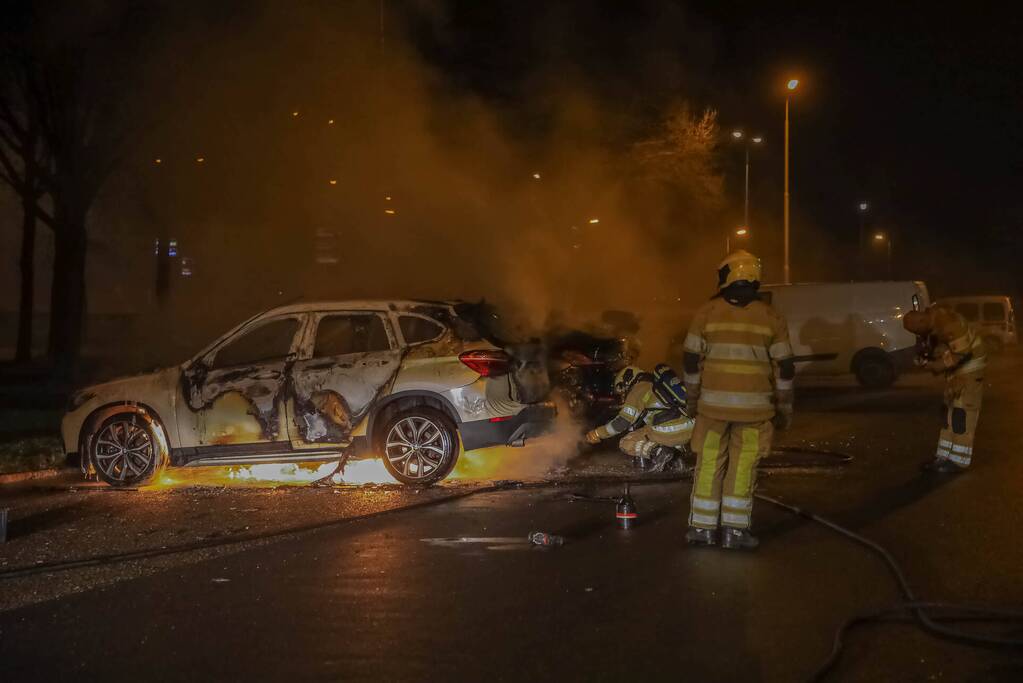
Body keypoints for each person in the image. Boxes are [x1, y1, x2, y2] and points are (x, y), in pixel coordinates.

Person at [682, 250, 795, 551]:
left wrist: (692, 401)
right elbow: (785, 367)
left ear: (727, 276)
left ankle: (703, 529)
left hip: (712, 411)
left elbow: (691, 361)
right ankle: (734, 531)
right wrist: (784, 409)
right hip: (755, 413)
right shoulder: (771, 317)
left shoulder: (706, 313)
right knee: (743, 466)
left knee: (708, 464)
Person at [903, 304, 987, 473]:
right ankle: (943, 457)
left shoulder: (949, 323)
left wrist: (934, 365)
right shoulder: (934, 323)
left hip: (969, 372)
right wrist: (929, 357)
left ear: (921, 319)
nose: (919, 334)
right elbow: (943, 349)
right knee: (948, 415)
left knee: (961, 416)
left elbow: (962, 354)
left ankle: (958, 461)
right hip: (957, 374)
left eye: (917, 330)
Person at [585, 365, 695, 471]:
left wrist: (597, 433)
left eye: (623, 390)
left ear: (626, 381)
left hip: (669, 431)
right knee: (648, 430)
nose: (624, 394)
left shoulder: (638, 388)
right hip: (690, 428)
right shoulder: (655, 386)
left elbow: (622, 422)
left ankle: (658, 451)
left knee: (626, 442)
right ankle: (677, 460)